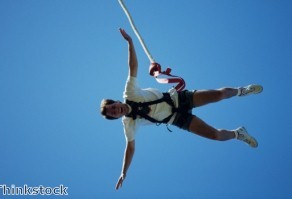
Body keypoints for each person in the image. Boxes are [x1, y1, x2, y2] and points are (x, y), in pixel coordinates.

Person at [100, 28, 263, 190]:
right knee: (216, 135)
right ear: (116, 118)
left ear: (115, 102)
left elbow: (133, 66)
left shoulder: (129, 92)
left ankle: (242, 91)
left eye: (113, 107)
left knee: (220, 95)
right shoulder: (128, 124)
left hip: (179, 99)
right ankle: (238, 134)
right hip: (177, 119)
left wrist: (130, 41)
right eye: (113, 113)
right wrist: (124, 172)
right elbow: (130, 149)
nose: (115, 110)